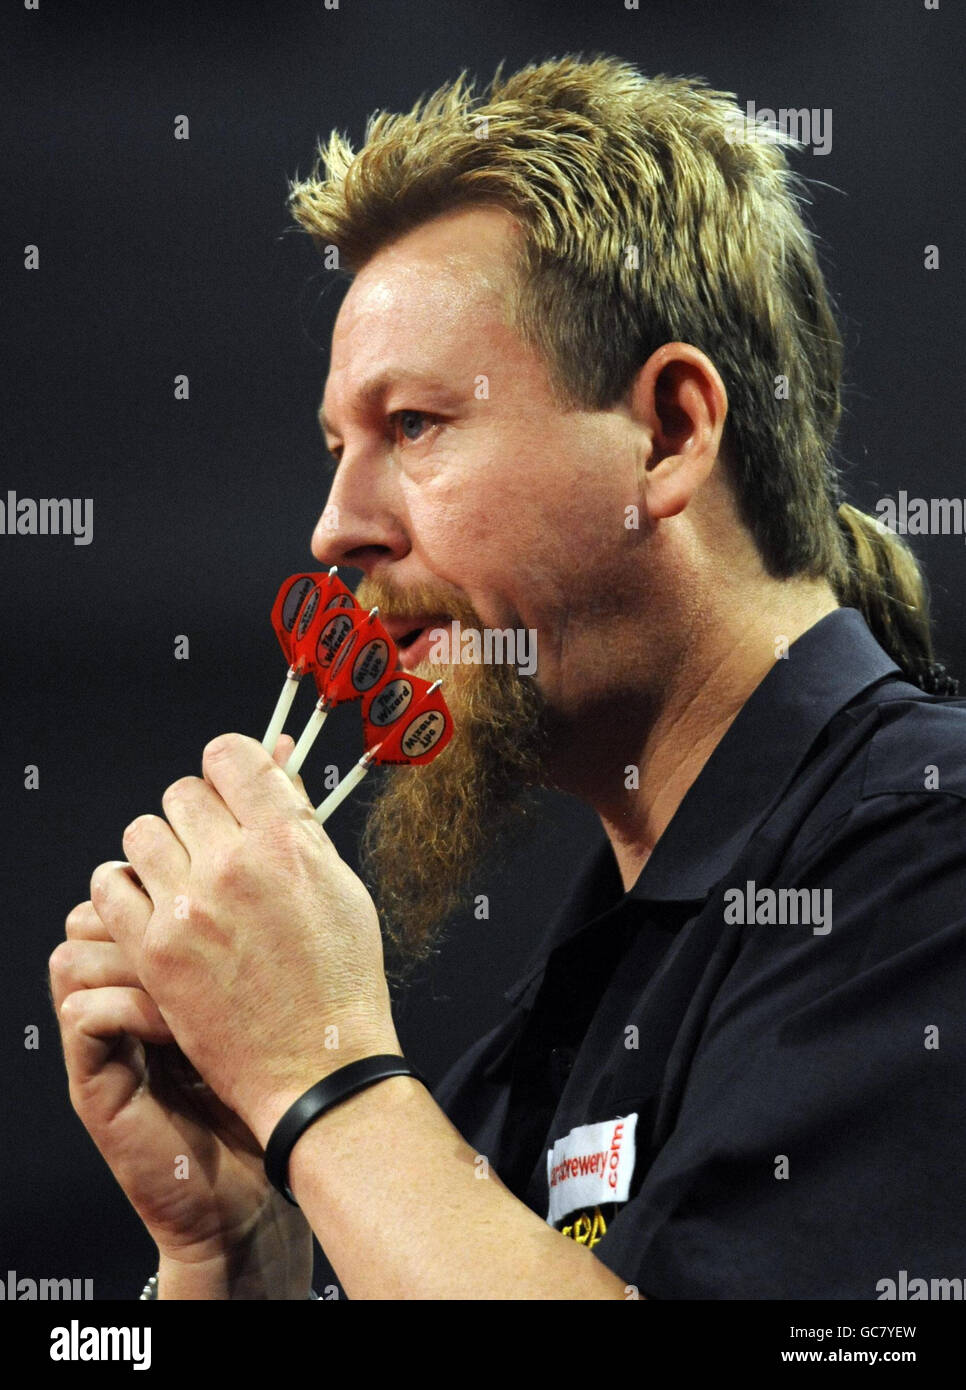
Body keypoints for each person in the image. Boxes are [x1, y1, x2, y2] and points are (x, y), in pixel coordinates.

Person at [50, 55, 965, 1300]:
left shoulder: (930, 861)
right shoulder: (529, 1057)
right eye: (337, 447)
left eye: (413, 426)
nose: (334, 528)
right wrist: (234, 1248)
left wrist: (324, 1085)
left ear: (670, 431)